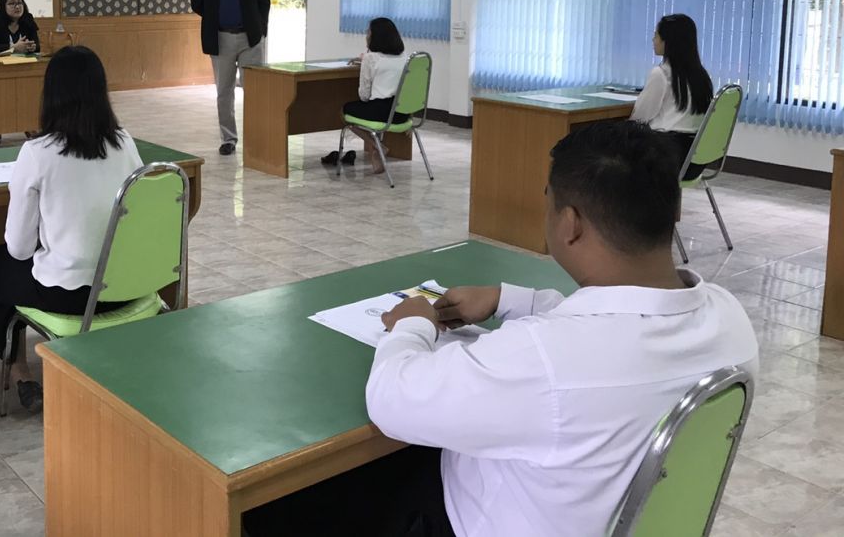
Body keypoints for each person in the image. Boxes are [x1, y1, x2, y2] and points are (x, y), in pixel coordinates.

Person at [244, 120, 758, 537]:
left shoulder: (545, 361)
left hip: (463, 521)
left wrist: (413, 325)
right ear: (674, 209)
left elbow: (392, 400)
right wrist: (512, 300)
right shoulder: (727, 317)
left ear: (570, 224)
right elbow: (616, 326)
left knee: (283, 504)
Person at [0, 46, 143, 412]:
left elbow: (19, 248)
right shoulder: (126, 142)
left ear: (50, 94)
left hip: (72, 296)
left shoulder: (37, 152)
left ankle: (19, 373)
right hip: (130, 288)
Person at [190, 0, 270, 155]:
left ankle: (258, 137)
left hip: (250, 39)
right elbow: (197, 4)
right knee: (224, 91)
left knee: (254, 89)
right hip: (221, 39)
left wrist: (260, 30)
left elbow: (263, 0)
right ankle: (228, 139)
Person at [321, 17, 409, 174]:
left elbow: (364, 96)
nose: (366, 35)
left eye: (368, 32)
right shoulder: (405, 57)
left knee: (345, 111)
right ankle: (377, 148)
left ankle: (376, 145)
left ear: (375, 37)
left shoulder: (370, 58)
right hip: (402, 114)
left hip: (382, 113)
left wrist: (366, 67)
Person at [631, 13, 714, 178]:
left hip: (664, 158)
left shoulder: (661, 73)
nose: (653, 40)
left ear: (668, 41)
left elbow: (639, 118)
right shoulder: (701, 76)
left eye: (656, 35)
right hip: (694, 160)